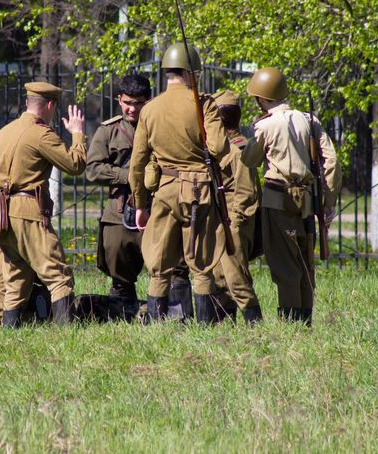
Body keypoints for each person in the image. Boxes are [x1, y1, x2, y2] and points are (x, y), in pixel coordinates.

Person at [129, 42, 231, 324]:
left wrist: (140, 204)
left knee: (159, 265)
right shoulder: (203, 104)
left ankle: (156, 323)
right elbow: (221, 147)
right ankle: (205, 326)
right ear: (191, 73)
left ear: (167, 73)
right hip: (198, 193)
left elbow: (137, 163)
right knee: (201, 264)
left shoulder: (149, 109)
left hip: (163, 192)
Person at [0, 81, 86, 328]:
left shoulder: (2, 134)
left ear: (27, 103)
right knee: (58, 276)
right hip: (29, 214)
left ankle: (8, 334)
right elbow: (75, 165)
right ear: (49, 105)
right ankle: (67, 336)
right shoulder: (41, 134)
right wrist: (77, 133)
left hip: (4, 217)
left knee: (15, 279)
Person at [86, 74, 193, 320]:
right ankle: (123, 315)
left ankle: (179, 317)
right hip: (121, 208)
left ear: (149, 100)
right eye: (127, 103)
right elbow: (93, 169)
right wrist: (131, 176)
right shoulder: (108, 132)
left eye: (138, 103)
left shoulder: (162, 125)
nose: (132, 109)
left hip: (161, 205)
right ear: (119, 100)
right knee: (119, 266)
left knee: (174, 265)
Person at [241, 68, 341, 326]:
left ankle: (290, 325)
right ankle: (304, 321)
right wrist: (328, 202)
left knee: (284, 264)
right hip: (308, 200)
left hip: (278, 198)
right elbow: (331, 160)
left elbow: (249, 160)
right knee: (306, 263)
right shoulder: (309, 120)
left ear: (261, 99)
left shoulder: (265, 125)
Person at [209, 90, 263, 324]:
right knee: (220, 276)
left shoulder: (237, 148)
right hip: (222, 216)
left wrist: (236, 221)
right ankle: (223, 322)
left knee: (235, 276)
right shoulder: (222, 146)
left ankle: (255, 323)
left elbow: (246, 190)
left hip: (233, 219)